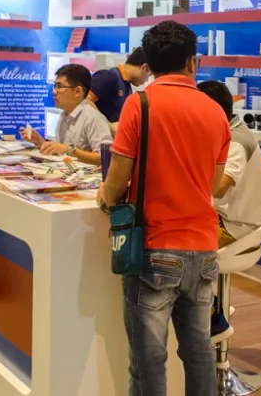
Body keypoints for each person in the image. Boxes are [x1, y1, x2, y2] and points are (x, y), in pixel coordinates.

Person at [98, 20, 231, 395]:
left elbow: (117, 179)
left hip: (155, 248)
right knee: (199, 351)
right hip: (203, 250)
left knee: (148, 361)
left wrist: (106, 197)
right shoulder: (216, 112)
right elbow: (212, 184)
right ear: (192, 62)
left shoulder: (139, 104)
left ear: (150, 65)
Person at [198, 80, 261, 344]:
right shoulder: (224, 133)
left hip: (236, 227)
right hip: (222, 218)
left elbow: (219, 188)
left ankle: (212, 316)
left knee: (178, 249)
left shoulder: (237, 142)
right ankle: (210, 305)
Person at [19, 64, 111, 166]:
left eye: (59, 86)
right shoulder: (64, 114)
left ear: (77, 91)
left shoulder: (94, 118)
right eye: (54, 86)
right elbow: (59, 150)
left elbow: (105, 158)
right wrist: (40, 142)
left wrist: (69, 150)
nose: (54, 92)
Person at [87, 47, 151, 131]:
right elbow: (85, 100)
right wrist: (108, 126)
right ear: (144, 68)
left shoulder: (127, 86)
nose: (146, 80)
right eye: (149, 76)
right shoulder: (109, 76)